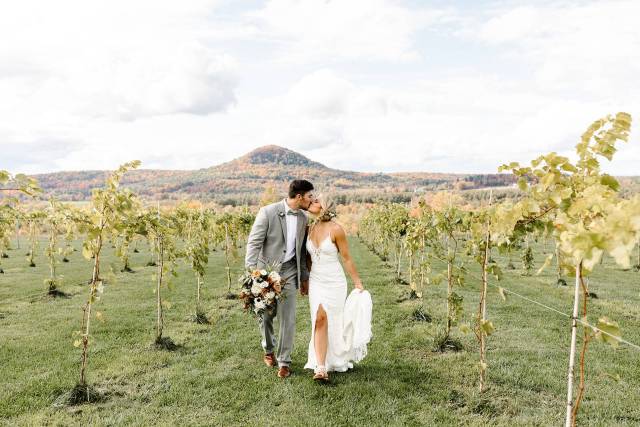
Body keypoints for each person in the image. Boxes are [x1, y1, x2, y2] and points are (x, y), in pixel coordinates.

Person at [245, 179, 314, 378]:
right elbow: (254, 243)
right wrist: (254, 274)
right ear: (299, 196)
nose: (312, 200)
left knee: (288, 316)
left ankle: (284, 361)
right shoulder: (268, 212)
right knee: (266, 315)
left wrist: (304, 277)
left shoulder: (303, 217)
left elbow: (301, 251)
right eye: (309, 196)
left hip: (291, 271)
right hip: (266, 271)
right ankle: (268, 349)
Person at [304, 195, 371, 382]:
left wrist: (357, 282)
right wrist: (306, 281)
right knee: (318, 319)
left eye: (316, 201)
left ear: (325, 206)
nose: (312, 203)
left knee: (331, 320)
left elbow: (347, 258)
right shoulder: (309, 229)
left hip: (334, 282)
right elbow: (308, 259)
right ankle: (320, 367)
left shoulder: (336, 229)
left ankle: (334, 359)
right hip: (316, 281)